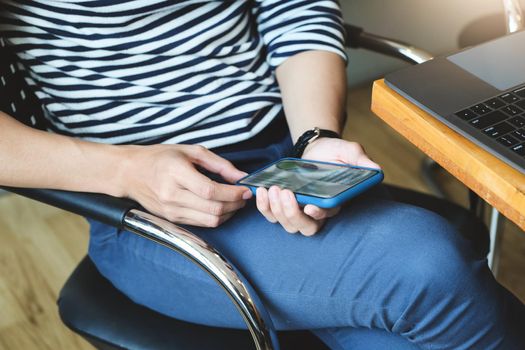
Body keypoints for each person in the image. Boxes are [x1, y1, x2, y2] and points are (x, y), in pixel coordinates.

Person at [1, 1, 524, 349]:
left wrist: (313, 138)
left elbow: (295, 11)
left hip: (286, 152)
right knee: (425, 265)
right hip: (145, 205)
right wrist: (124, 169)